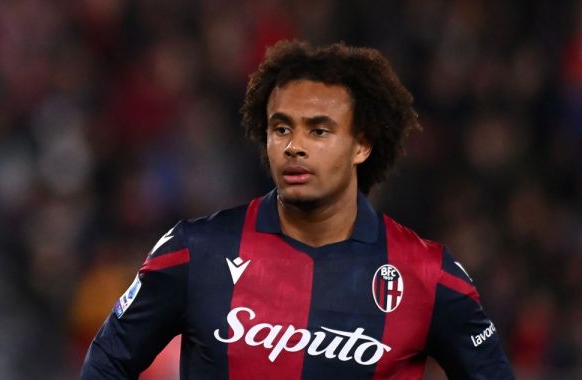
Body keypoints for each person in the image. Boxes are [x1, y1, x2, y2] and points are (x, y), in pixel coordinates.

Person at [80, 41, 514, 379]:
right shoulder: (197, 251)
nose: (294, 146)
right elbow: (107, 361)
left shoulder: (426, 274)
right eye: (281, 128)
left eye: (319, 130)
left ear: (361, 144)